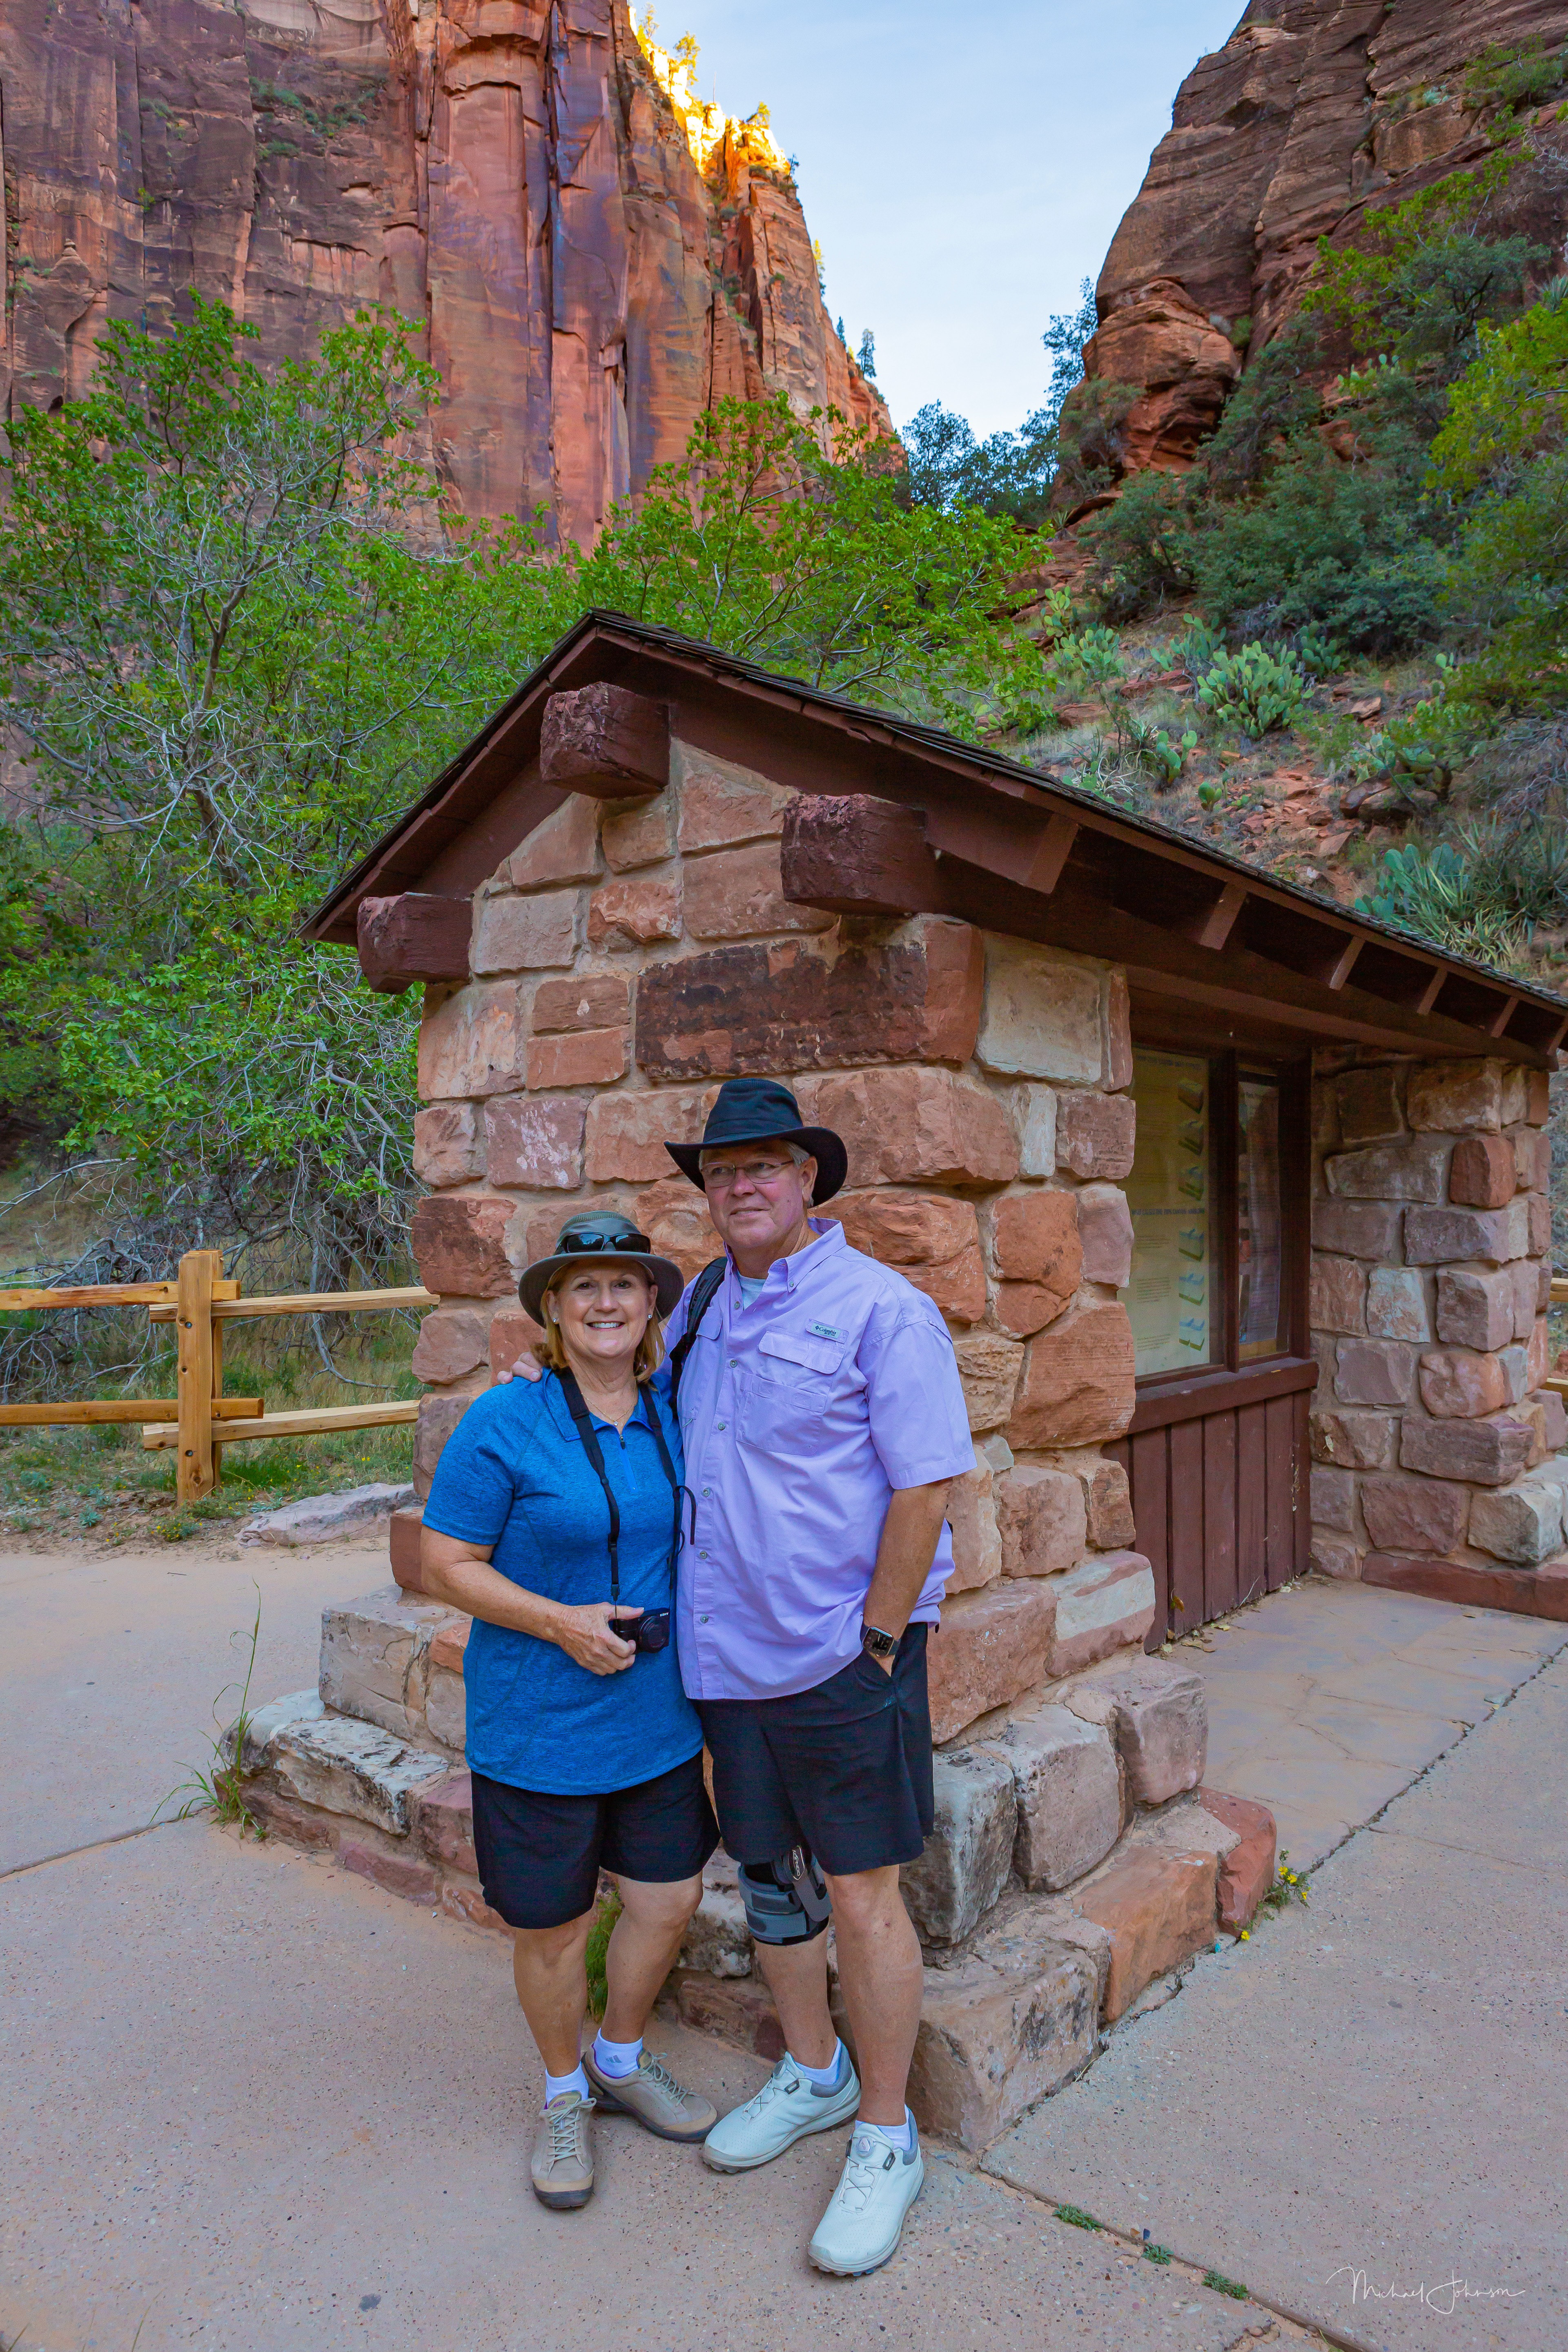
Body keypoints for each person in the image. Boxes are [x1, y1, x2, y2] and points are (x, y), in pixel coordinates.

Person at [664, 1076, 975, 2277]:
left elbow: (925, 1485)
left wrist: (883, 1640)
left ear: (808, 1182)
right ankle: (814, 2071)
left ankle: (888, 2139)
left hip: (845, 1660)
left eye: (765, 1166)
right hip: (725, 1656)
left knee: (859, 1896)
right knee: (768, 1881)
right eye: (721, 1170)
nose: (740, 1185)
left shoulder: (879, 1310)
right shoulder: (698, 1308)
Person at [418, 1210, 720, 2214]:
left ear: (651, 1309)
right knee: (552, 1929)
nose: (604, 1302)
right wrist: (558, 1624)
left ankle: (620, 2058)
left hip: (657, 1718)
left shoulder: (677, 1403)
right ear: (552, 1309)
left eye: (624, 1286)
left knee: (668, 1898)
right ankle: (562, 2094)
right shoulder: (507, 1420)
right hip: (539, 1721)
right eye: (583, 1286)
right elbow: (442, 1563)